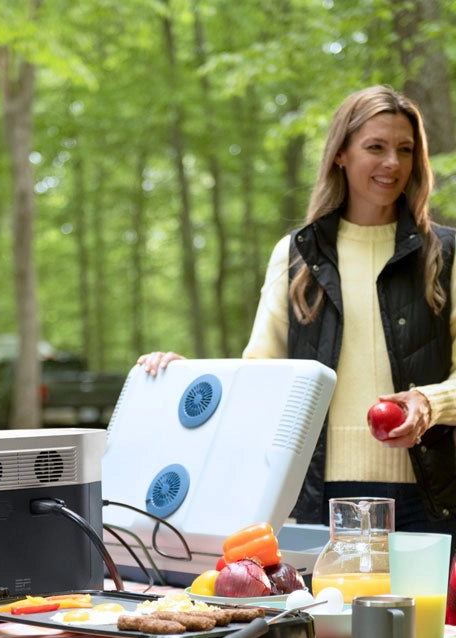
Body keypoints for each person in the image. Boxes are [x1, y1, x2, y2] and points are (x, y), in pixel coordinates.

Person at [138, 85, 456, 551]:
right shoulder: (296, 255)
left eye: (405, 150)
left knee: (426, 627)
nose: (393, 163)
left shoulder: (444, 254)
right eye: (375, 147)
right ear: (341, 155)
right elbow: (260, 374)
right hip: (314, 498)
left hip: (429, 498)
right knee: (321, 625)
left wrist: (428, 404)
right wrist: (187, 377)